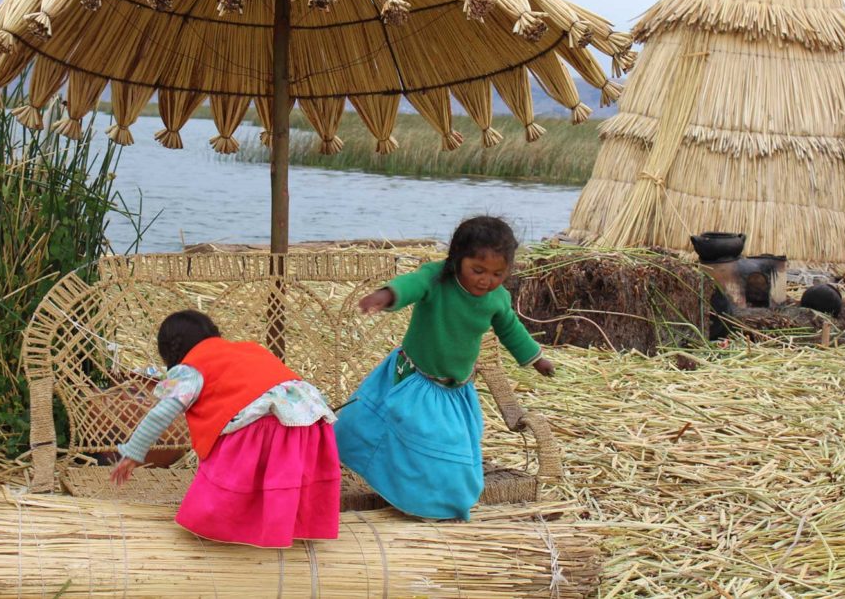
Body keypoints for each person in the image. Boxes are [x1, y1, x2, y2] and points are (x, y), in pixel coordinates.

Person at [334, 215, 555, 521]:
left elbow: (511, 330)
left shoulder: (497, 299)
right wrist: (386, 295)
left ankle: (436, 503)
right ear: (456, 260)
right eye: (477, 270)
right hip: (414, 380)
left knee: (449, 450)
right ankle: (394, 483)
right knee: (369, 427)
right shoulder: (436, 279)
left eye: (497, 274)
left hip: (455, 392)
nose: (485, 280)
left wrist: (536, 359)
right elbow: (411, 284)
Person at [110, 310, 340, 547]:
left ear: (171, 352)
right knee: (282, 481)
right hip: (312, 423)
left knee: (225, 475)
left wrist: (134, 452)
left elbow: (161, 413)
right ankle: (286, 527)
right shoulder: (249, 349)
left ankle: (222, 529)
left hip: (265, 424)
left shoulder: (190, 368)